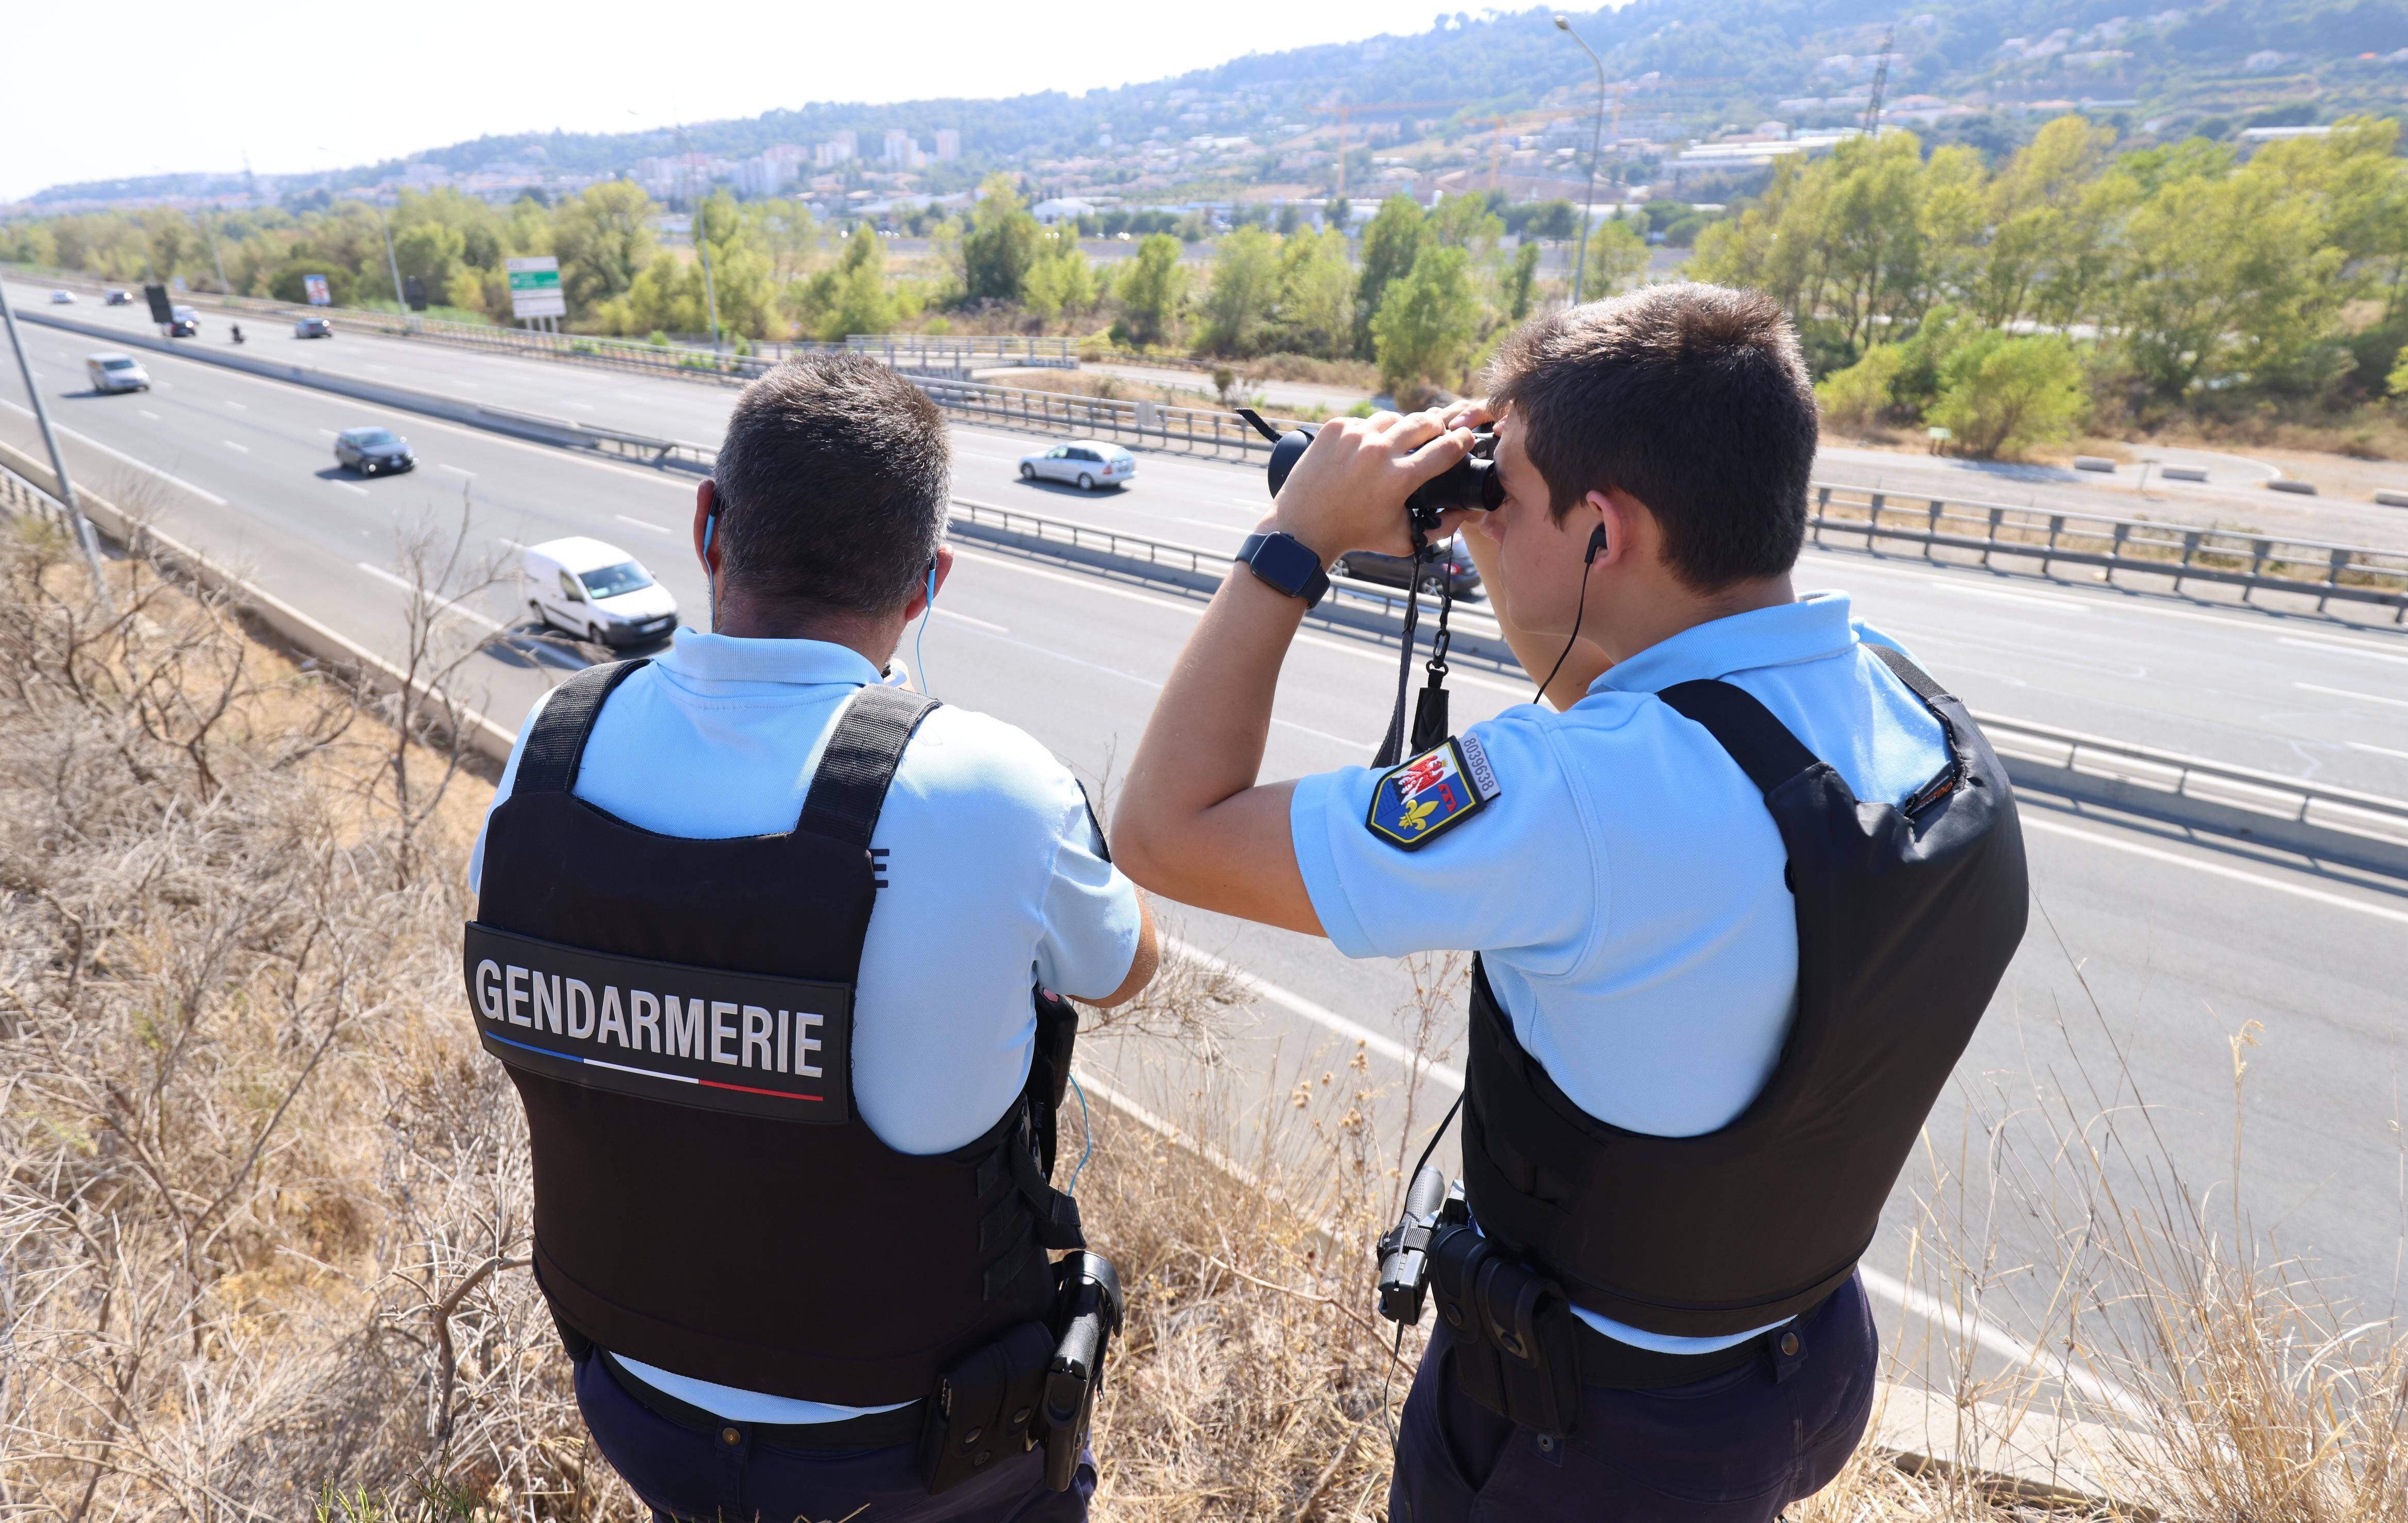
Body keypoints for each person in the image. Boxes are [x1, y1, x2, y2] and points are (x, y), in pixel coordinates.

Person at [1110, 284, 2028, 1522]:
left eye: (1503, 489)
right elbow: (1658, 721)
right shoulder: (1907, 707)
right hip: (1800, 1359)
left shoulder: (1571, 797)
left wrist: (1296, 541)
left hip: (1590, 1428)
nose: (1477, 516)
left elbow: (1166, 830)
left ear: (1607, 530)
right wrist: (1520, 530)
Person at [467, 352, 1160, 1523]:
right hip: (918, 1450)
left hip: (640, 1403)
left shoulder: (552, 746)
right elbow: (1126, 967)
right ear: (928, 580)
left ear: (707, 527)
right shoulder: (989, 783)